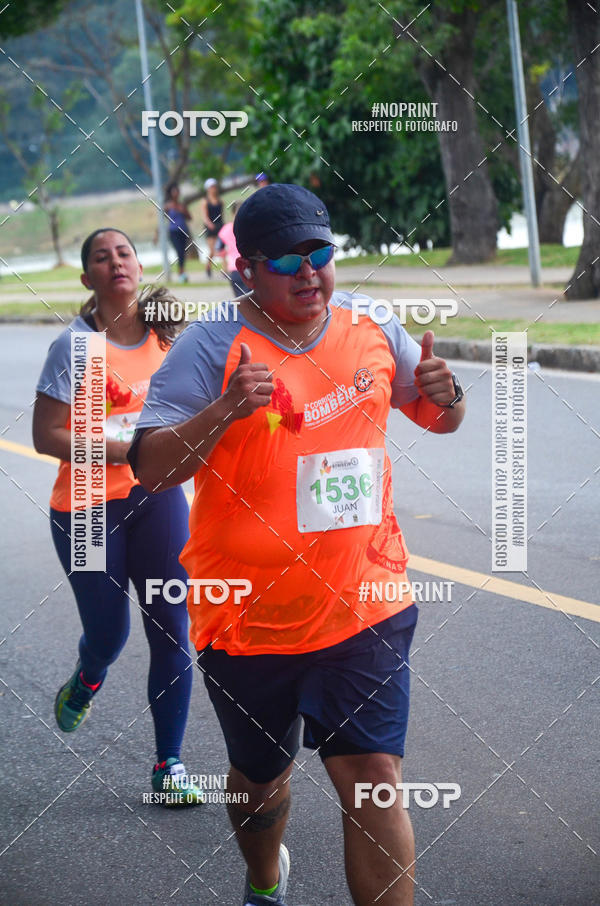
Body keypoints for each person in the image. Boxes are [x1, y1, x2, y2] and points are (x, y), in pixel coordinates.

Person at [129, 184, 466, 904]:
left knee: (374, 781)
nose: (309, 271)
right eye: (288, 260)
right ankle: (263, 876)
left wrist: (448, 393)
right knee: (261, 782)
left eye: (320, 253)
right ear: (247, 268)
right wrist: (224, 410)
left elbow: (438, 418)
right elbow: (152, 470)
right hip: (247, 619)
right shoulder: (210, 345)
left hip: (363, 603)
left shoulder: (372, 325)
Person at [32, 227, 203, 805]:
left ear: (138, 265)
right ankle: (87, 676)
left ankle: (169, 765)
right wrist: (123, 446)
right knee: (109, 633)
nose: (116, 263)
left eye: (124, 253)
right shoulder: (73, 348)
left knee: (172, 628)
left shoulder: (169, 340)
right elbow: (45, 434)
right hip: (84, 508)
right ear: (89, 279)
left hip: (156, 498)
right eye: (101, 258)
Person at [217, 202, 249, 297]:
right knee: (253, 303)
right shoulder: (250, 227)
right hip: (249, 268)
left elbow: (219, 248)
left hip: (234, 269)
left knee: (240, 302)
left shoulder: (226, 229)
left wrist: (224, 265)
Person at [164, 182, 193, 283]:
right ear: (171, 193)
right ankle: (181, 273)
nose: (176, 193)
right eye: (174, 191)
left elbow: (190, 218)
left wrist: (183, 211)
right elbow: (162, 219)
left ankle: (182, 272)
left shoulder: (182, 205)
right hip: (173, 232)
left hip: (183, 231)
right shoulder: (167, 206)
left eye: (177, 191)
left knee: (183, 253)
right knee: (179, 251)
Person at [200, 177, 223, 278]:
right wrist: (210, 224)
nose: (214, 188)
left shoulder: (220, 201)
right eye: (211, 187)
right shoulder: (205, 201)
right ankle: (208, 266)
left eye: (215, 186)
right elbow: (205, 216)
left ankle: (225, 270)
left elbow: (222, 215)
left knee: (222, 249)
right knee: (213, 251)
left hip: (219, 226)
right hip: (210, 228)